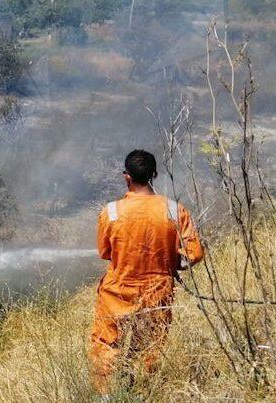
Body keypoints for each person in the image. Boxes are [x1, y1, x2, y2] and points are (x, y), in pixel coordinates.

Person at [89, 149, 204, 391]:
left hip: (117, 292)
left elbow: (105, 252)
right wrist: (172, 264)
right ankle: (141, 391)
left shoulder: (111, 212)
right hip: (158, 292)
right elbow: (195, 253)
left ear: (126, 177)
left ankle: (105, 395)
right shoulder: (174, 210)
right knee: (149, 346)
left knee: (106, 344)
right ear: (154, 175)